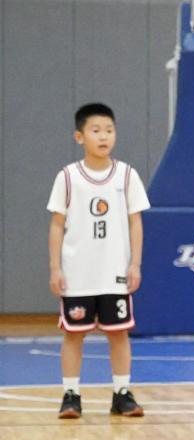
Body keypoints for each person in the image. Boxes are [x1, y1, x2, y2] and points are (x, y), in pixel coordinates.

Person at [47, 103, 150, 419]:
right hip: (78, 274)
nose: (104, 136)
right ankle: (71, 395)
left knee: (118, 333)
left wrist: (135, 264)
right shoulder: (68, 177)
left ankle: (122, 394)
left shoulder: (126, 175)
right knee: (73, 334)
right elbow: (57, 224)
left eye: (109, 130)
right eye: (96, 130)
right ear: (79, 136)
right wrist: (55, 268)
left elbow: (135, 222)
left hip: (114, 272)